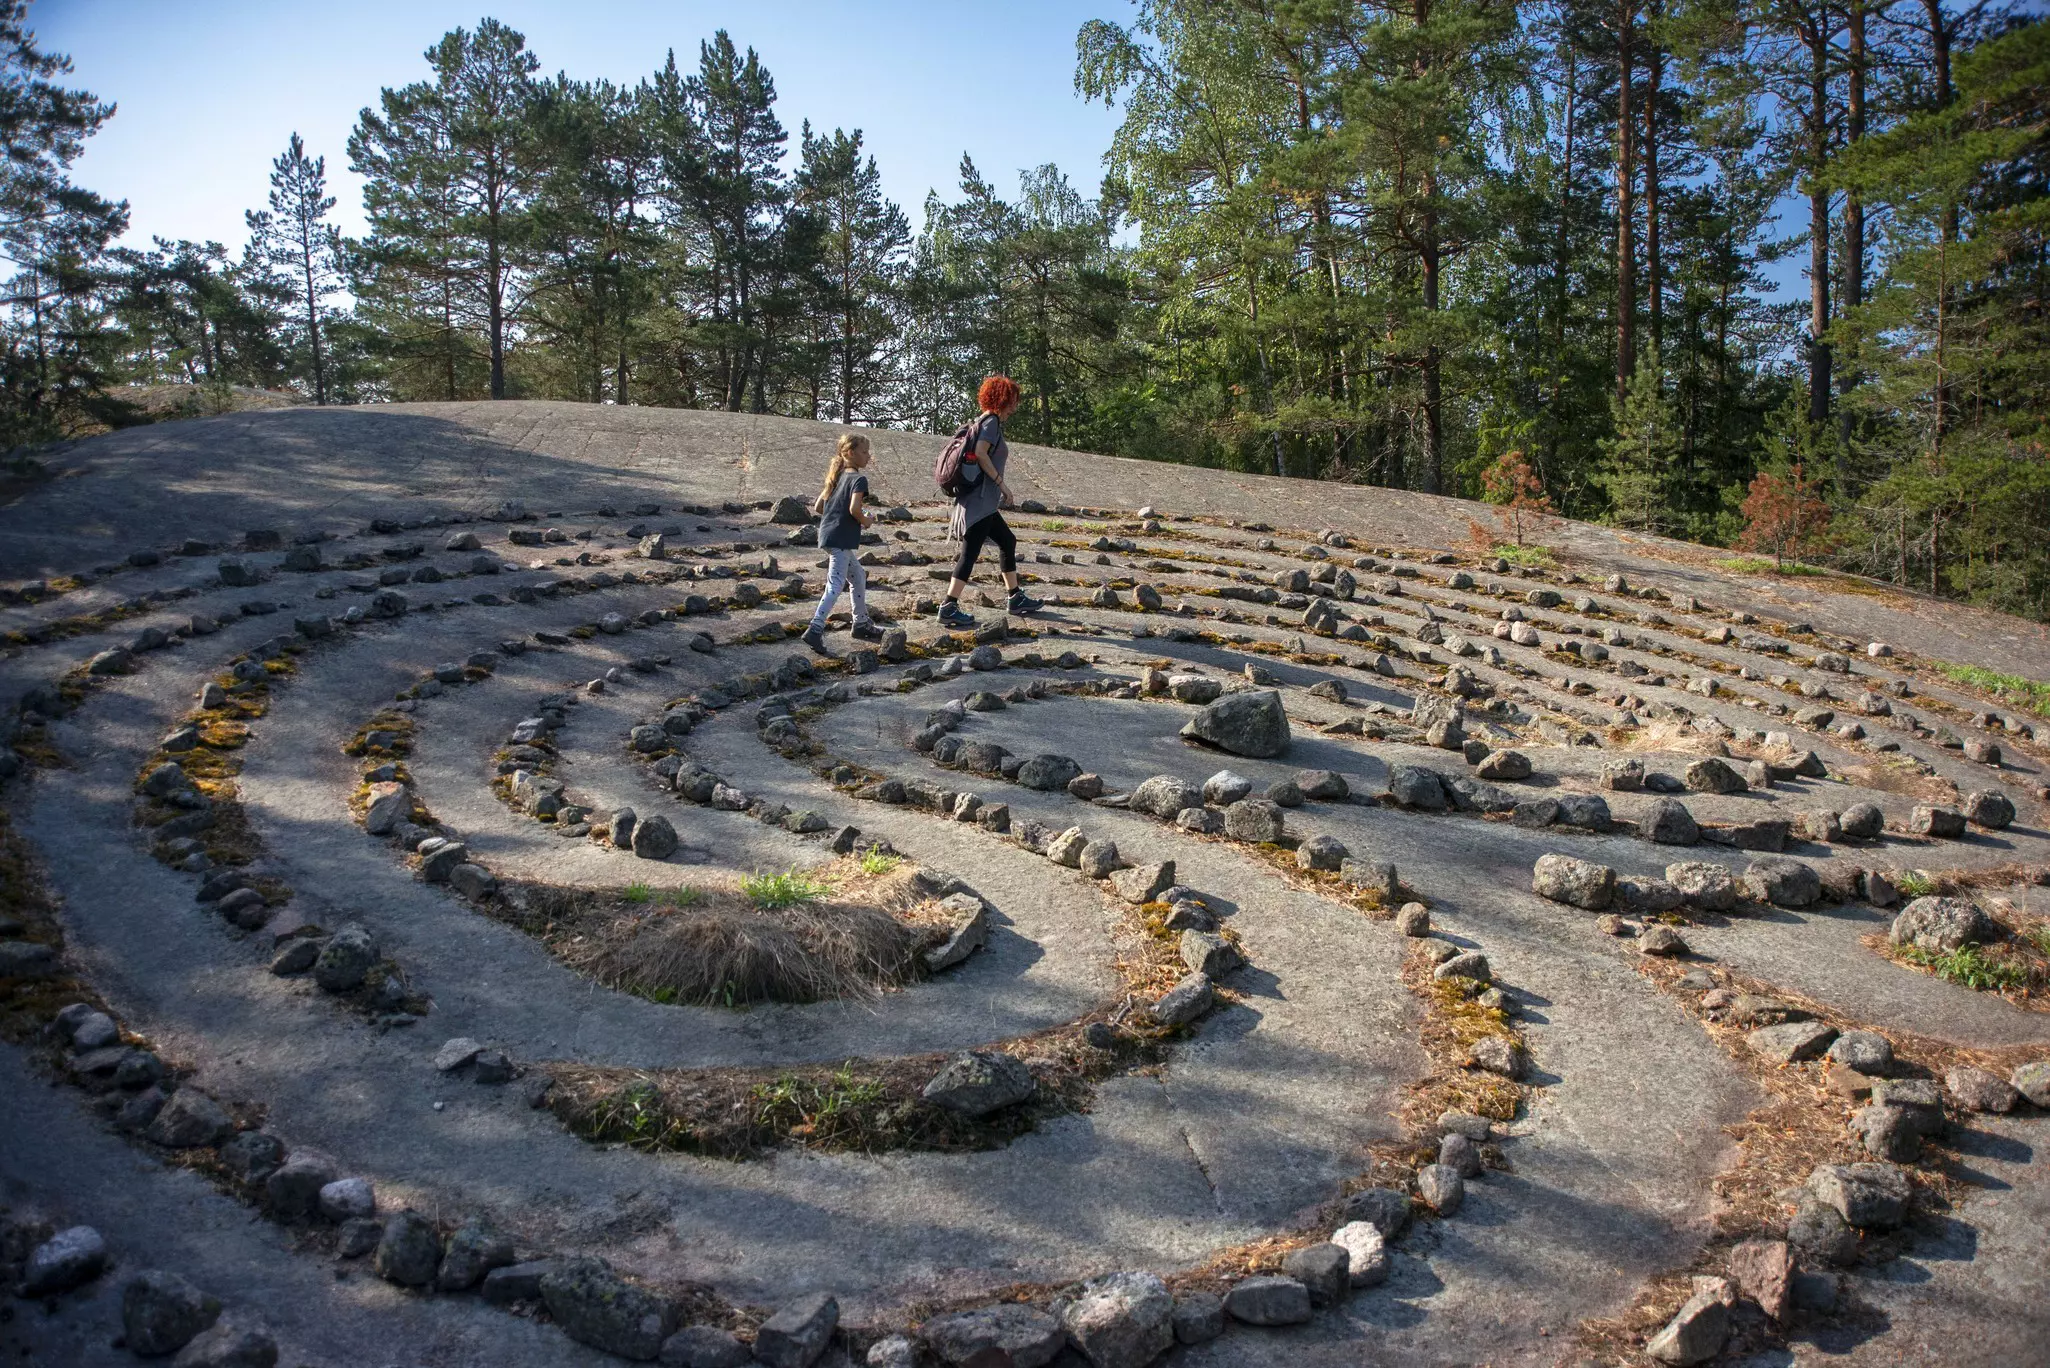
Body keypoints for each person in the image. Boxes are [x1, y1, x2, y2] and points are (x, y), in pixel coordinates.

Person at [938, 374, 1040, 628]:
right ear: (1003, 399)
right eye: (1014, 400)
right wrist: (1002, 484)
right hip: (980, 500)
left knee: (1007, 540)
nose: (1016, 406)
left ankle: (1015, 597)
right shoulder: (991, 422)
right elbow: (982, 454)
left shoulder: (983, 420)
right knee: (970, 553)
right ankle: (948, 605)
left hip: (980, 501)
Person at [801, 431, 883, 654]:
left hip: (828, 536)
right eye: (864, 452)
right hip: (841, 539)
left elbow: (819, 507)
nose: (868, 456)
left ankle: (861, 623)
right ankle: (815, 629)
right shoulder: (858, 479)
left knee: (857, 576)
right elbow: (854, 509)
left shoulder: (836, 477)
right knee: (835, 585)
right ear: (850, 453)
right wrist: (866, 520)